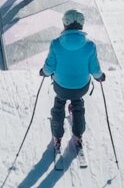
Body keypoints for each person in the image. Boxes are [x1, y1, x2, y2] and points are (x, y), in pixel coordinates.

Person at [39, 9, 105, 153]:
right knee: (78, 105)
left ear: (64, 24)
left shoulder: (56, 44)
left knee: (58, 105)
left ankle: (57, 135)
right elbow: (94, 69)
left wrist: (44, 72)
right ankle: (78, 134)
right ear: (81, 25)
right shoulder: (90, 45)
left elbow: (50, 67)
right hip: (81, 87)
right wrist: (100, 77)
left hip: (61, 86)